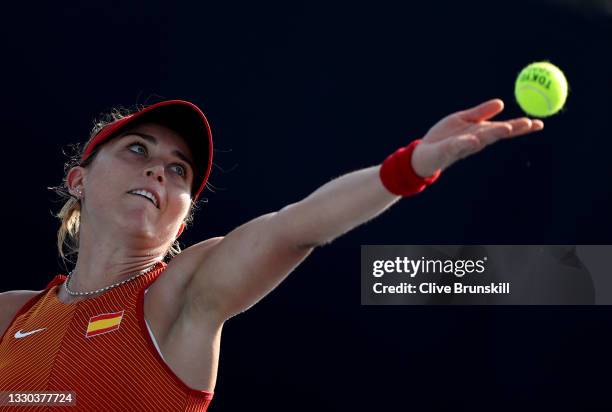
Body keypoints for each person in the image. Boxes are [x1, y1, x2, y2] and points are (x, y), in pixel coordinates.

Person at [0, 98, 543, 411]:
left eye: (179, 169)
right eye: (138, 149)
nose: (158, 170)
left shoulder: (179, 297)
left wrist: (413, 164)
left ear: (182, 216)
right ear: (77, 180)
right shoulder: (11, 316)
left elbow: (295, 227)